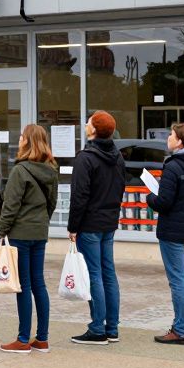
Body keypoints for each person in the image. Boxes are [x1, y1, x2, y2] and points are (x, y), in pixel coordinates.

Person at [0, 125, 59, 354]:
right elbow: (52, 203)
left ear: (28, 142)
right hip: (39, 233)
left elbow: (10, 206)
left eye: (22, 136)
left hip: (20, 234)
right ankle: (42, 338)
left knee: (23, 286)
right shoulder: (51, 170)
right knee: (39, 284)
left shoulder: (20, 171)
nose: (19, 138)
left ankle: (23, 339)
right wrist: (42, 222)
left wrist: (1, 231)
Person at [67, 110, 126, 345]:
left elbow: (79, 196)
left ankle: (97, 328)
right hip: (108, 223)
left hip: (89, 224)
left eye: (88, 122)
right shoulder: (117, 157)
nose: (85, 124)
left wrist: (73, 227)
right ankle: (112, 327)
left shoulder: (86, 157)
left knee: (94, 275)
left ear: (94, 129)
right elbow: (120, 188)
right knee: (107, 273)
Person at [146, 122, 184, 345]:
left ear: (180, 140)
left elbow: (163, 201)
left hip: (172, 230)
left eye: (171, 135)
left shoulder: (173, 166)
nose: (168, 139)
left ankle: (180, 330)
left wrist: (149, 198)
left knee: (178, 280)